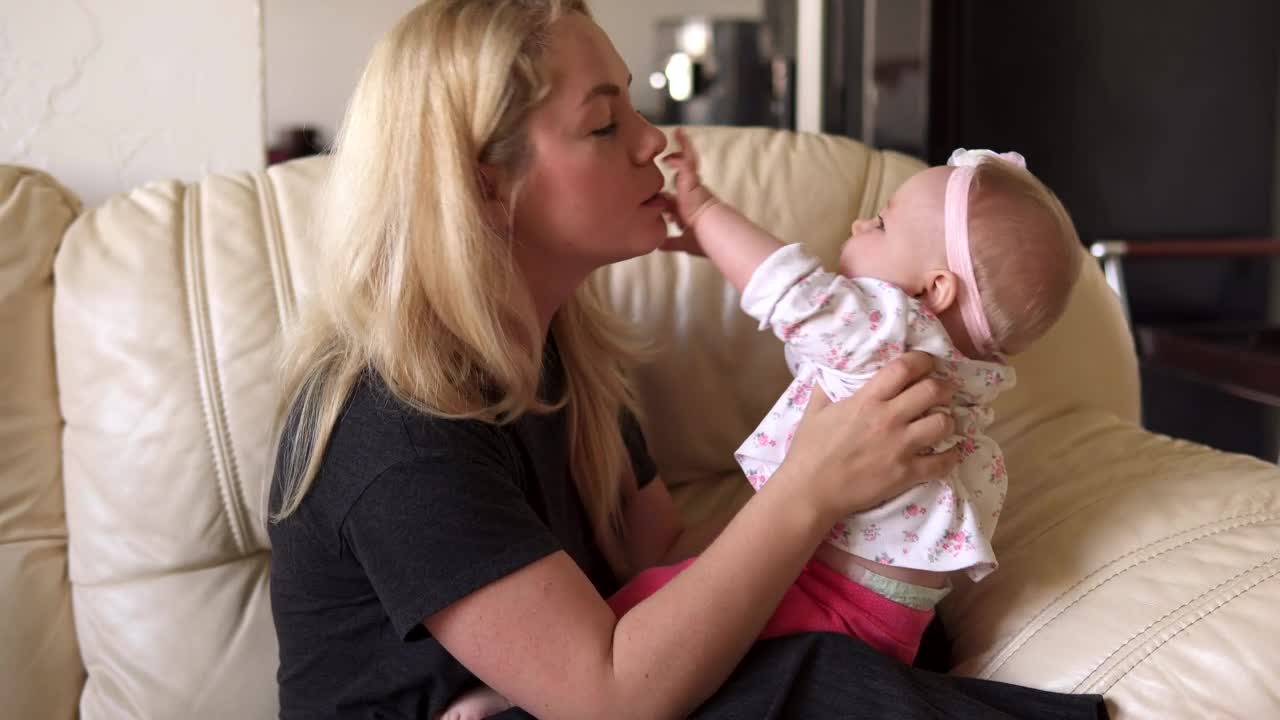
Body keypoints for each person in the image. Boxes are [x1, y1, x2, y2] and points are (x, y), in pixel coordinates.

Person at [265, 1, 1108, 718]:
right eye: (604, 124)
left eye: (633, 107)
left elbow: (655, 554)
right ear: (484, 186)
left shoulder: (570, 355)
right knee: (825, 675)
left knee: (884, 641)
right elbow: (614, 695)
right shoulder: (395, 423)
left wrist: (875, 531)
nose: (652, 140)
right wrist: (813, 485)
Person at [607, 132, 1082, 669]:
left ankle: (512, 697)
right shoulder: (967, 377)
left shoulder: (895, 336)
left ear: (934, 292)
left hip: (824, 602)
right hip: (892, 624)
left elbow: (788, 289)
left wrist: (705, 212)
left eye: (879, 224)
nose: (859, 225)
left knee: (644, 615)